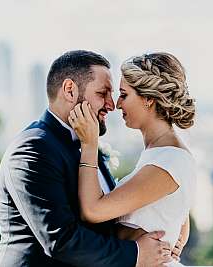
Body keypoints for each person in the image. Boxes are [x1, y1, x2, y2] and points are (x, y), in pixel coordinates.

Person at [0, 50, 172, 267]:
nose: (111, 105)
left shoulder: (89, 146)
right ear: (70, 90)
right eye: (102, 93)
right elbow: (61, 240)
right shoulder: (33, 149)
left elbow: (103, 225)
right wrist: (135, 254)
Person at [68, 52, 196, 266]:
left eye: (124, 95)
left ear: (148, 99)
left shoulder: (170, 159)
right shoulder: (160, 154)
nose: (117, 104)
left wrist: (89, 144)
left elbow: (93, 210)